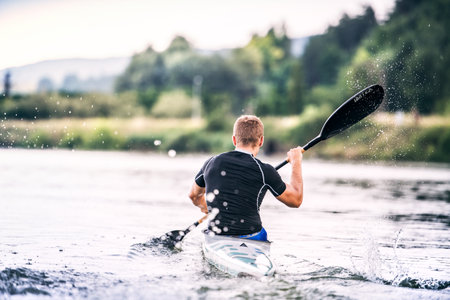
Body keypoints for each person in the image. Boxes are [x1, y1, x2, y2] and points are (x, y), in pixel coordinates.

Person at [188, 115, 303, 241]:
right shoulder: (264, 171)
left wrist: (206, 208)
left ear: (234, 140)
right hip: (252, 236)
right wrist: (296, 162)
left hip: (216, 235)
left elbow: (194, 196)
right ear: (261, 141)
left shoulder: (211, 162)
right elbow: (296, 200)